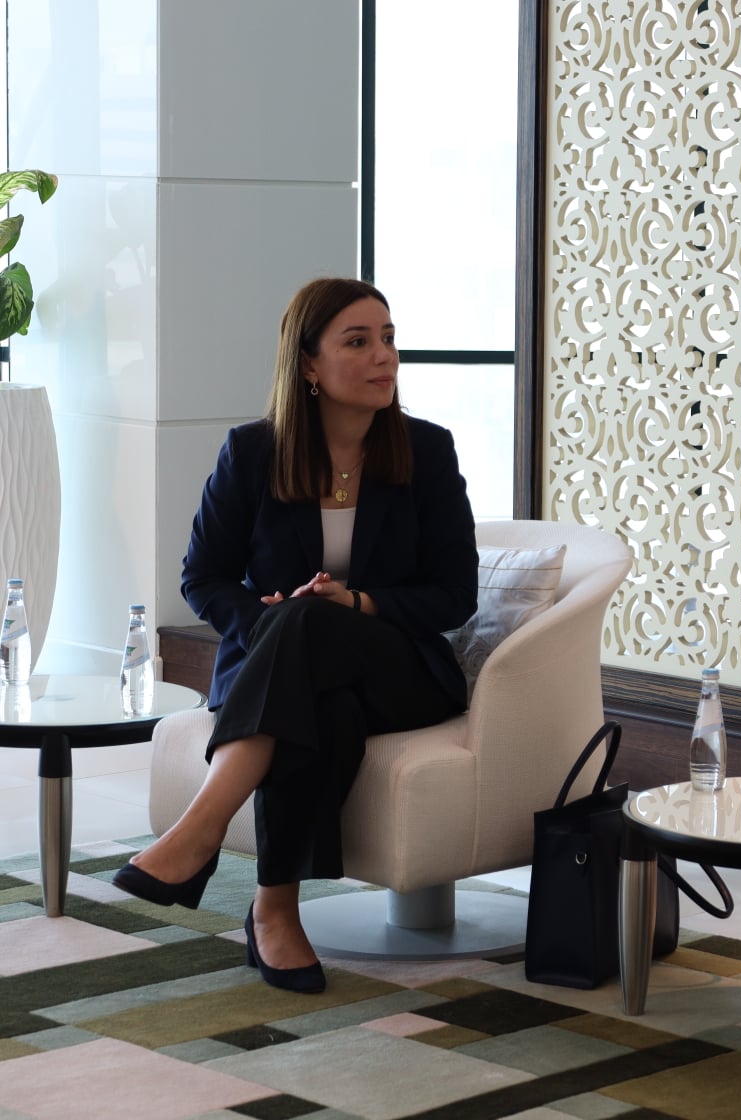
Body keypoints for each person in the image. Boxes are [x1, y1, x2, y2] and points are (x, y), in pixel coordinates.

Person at [113, 278, 478, 994]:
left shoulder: (427, 451)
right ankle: (275, 912)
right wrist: (267, 618)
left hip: (399, 670)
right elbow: (203, 577)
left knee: (313, 622)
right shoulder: (253, 452)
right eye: (358, 341)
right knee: (318, 694)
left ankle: (200, 832)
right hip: (286, 664)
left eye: (388, 338)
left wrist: (357, 602)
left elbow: (454, 593)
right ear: (308, 363)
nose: (384, 356)